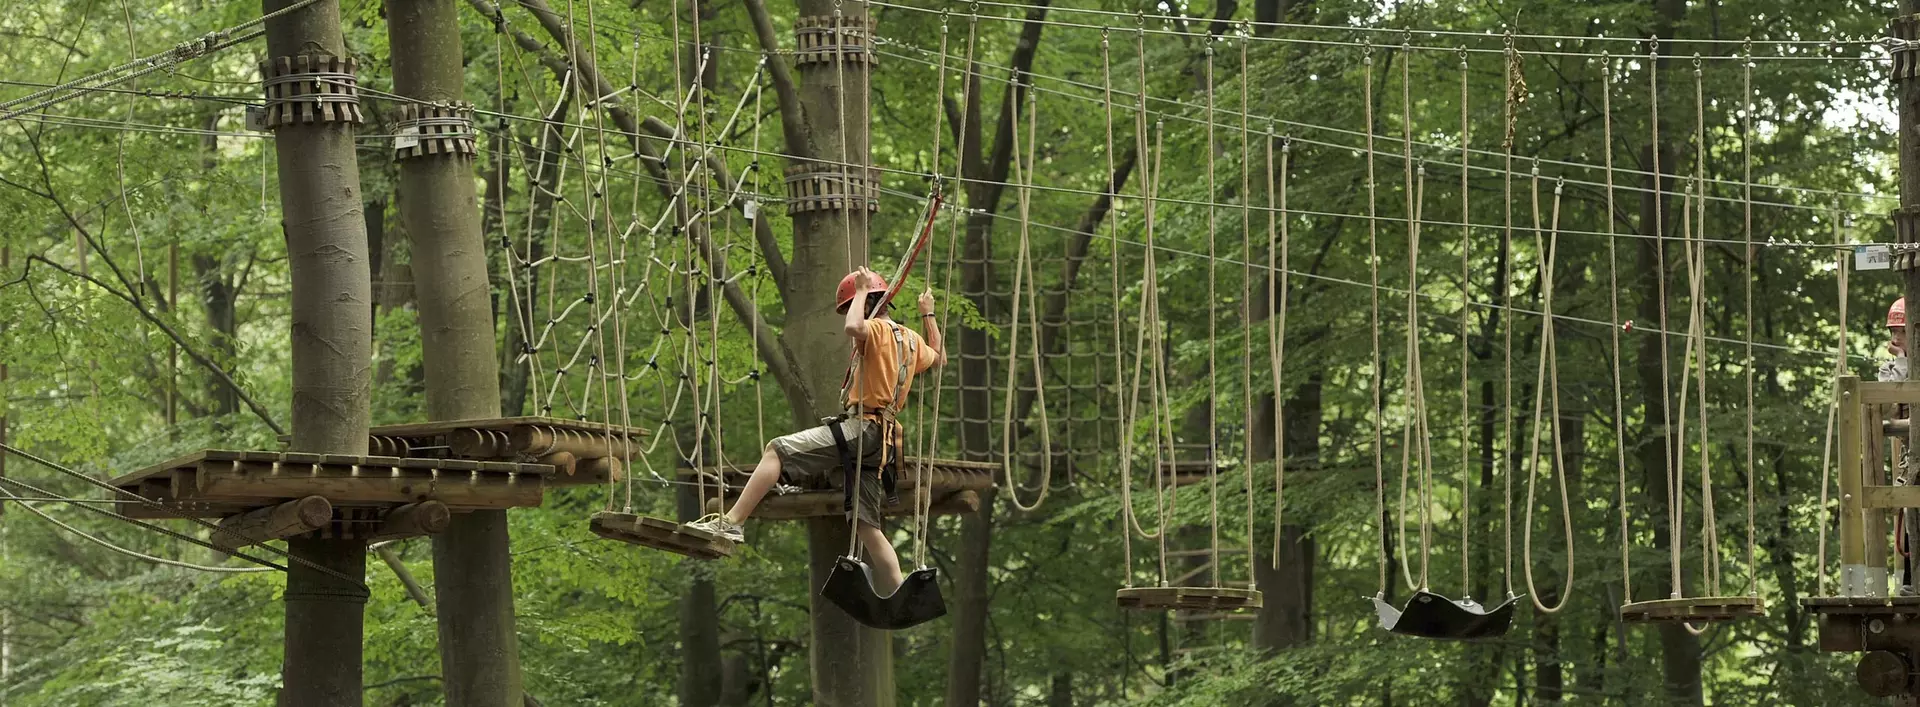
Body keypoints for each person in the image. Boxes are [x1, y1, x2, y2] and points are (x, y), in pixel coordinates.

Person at [686, 267, 946, 593]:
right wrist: (929, 314)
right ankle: (900, 593)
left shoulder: (876, 329)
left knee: (777, 449)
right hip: (884, 441)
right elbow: (939, 358)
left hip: (863, 427)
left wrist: (861, 290)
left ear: (868, 304)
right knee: (866, 526)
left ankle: (733, 523)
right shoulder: (910, 340)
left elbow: (853, 327)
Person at [1884, 297, 1908, 383]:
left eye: (1904, 331)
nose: (1897, 338)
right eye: (1894, 331)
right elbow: (1890, 394)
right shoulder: (1887, 369)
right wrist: (1901, 357)